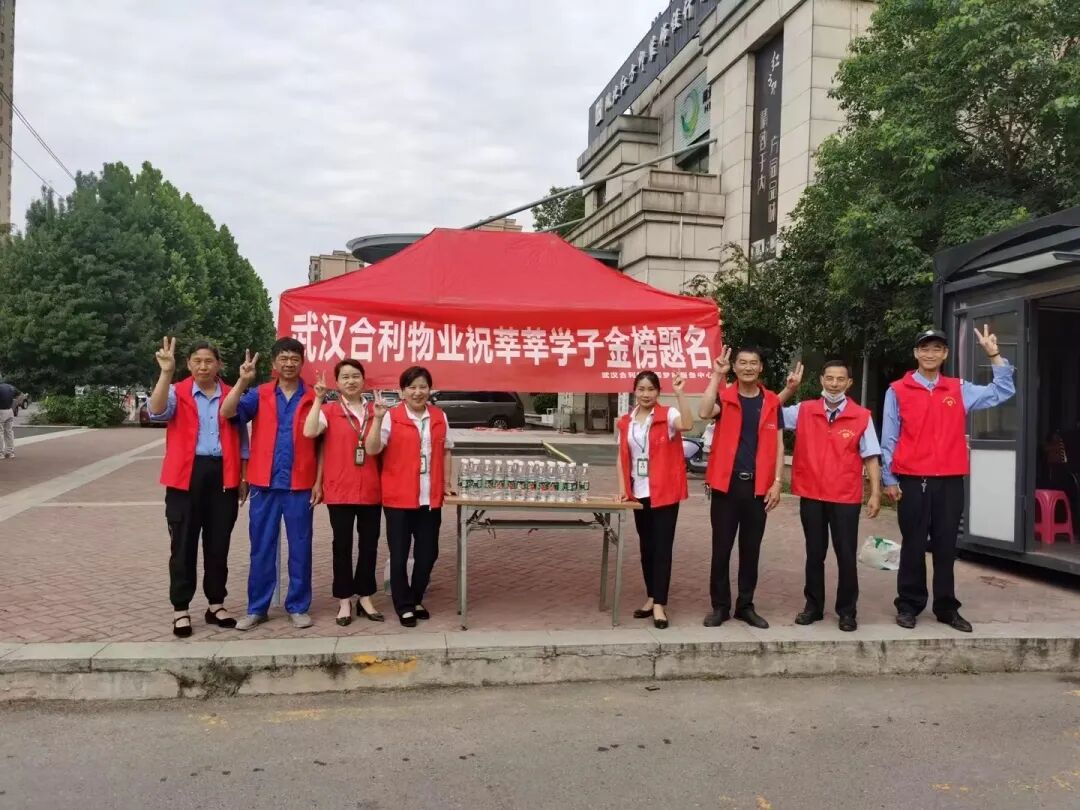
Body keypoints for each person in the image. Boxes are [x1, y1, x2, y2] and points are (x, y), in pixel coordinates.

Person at [882, 326, 1015, 632]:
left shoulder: (958, 388)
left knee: (945, 546)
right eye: (924, 348)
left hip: (950, 481)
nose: (930, 354)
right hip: (913, 479)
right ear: (916, 353)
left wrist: (994, 354)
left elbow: (1002, 391)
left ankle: (946, 607)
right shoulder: (897, 390)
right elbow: (889, 437)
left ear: (945, 354)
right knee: (913, 545)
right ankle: (909, 604)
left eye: (936, 349)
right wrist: (889, 478)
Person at [148, 338, 249, 637]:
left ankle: (216, 604)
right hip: (185, 476)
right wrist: (166, 372)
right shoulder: (176, 392)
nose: (203, 366)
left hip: (223, 475)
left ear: (219, 365)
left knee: (218, 544)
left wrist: (243, 476)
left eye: (209, 361)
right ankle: (181, 609)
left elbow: (242, 439)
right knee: (183, 545)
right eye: (197, 361)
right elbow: (156, 411)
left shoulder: (232, 394)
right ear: (188, 364)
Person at [221, 337, 320, 630]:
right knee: (262, 547)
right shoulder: (259, 394)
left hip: (299, 483)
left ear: (302, 362)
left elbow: (323, 444)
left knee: (300, 547)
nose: (289, 364)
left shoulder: (313, 396)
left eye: (294, 359)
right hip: (263, 483)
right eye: (283, 359)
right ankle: (257, 608)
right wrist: (242, 381)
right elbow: (227, 412)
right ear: (275, 362)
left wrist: (319, 481)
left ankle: (298, 606)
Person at [699, 346, 800, 629]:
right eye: (742, 363)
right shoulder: (725, 397)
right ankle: (720, 606)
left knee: (750, 550)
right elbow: (704, 411)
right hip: (726, 486)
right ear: (734, 367)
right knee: (721, 549)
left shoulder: (770, 402)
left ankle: (745, 606)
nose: (747, 367)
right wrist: (716, 375)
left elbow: (778, 446)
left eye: (753, 363)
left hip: (757, 488)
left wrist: (777, 483)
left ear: (760, 368)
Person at [782, 359, 882, 632]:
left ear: (849, 383)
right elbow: (768, 411)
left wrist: (875, 493)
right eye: (829, 378)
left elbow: (871, 456)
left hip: (845, 497)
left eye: (840, 379)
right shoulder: (804, 410)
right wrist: (790, 390)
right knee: (814, 553)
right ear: (821, 381)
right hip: (812, 494)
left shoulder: (861, 416)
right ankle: (813, 607)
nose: (834, 384)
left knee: (846, 555)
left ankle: (847, 611)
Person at [365, 366, 453, 628]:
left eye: (422, 386)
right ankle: (404, 606)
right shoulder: (391, 416)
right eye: (412, 387)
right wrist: (377, 420)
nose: (417, 392)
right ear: (402, 391)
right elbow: (372, 449)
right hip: (398, 497)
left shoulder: (439, 416)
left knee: (428, 554)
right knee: (400, 554)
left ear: (430, 389)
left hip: (429, 497)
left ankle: (415, 598)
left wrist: (447, 483)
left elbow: (446, 451)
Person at [302, 360, 384, 626]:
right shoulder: (329, 410)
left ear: (364, 380)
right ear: (337, 383)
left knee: (369, 544)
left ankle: (365, 596)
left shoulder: (376, 410)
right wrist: (318, 399)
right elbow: (309, 431)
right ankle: (344, 599)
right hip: (339, 488)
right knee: (342, 545)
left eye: (355, 376)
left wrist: (378, 418)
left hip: (371, 488)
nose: (351, 381)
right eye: (345, 377)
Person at [615, 371, 694, 630]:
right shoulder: (626, 422)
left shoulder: (667, 415)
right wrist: (623, 489)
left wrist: (681, 393)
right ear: (634, 391)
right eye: (641, 389)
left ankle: (660, 603)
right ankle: (651, 596)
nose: (646, 394)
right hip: (639, 493)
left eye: (651, 389)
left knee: (662, 548)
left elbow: (687, 424)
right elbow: (621, 457)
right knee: (646, 548)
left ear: (658, 392)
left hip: (664, 493)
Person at [0, 378, 26, 459]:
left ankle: (0, 453)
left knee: (0, 432)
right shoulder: (10, 387)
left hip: (1, 411)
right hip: (10, 411)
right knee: (9, 432)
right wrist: (17, 403)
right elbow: (22, 395)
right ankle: (10, 452)